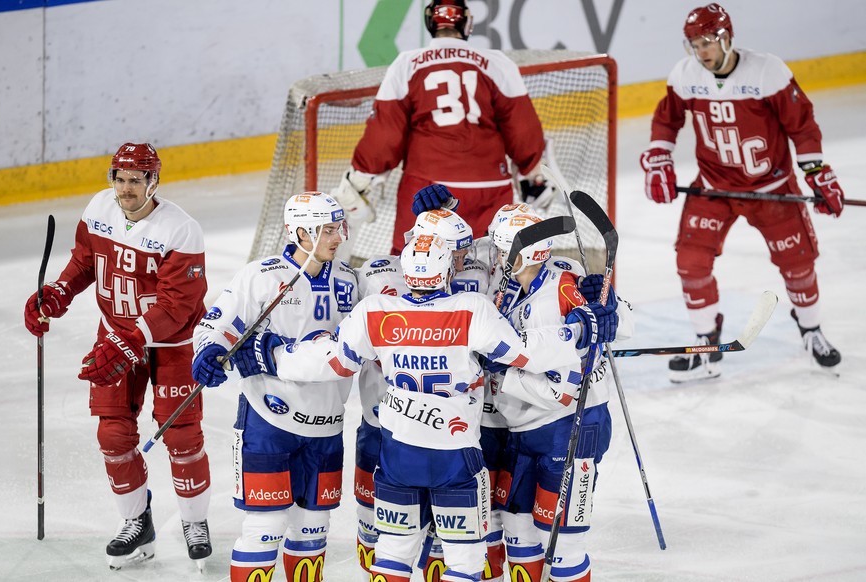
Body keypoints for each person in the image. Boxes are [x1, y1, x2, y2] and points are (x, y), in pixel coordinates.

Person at [242, 231, 616, 582]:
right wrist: (581, 329)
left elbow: (332, 360)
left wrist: (270, 353)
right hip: (455, 461)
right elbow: (526, 352)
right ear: (447, 270)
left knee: (392, 552)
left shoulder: (376, 311)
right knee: (465, 559)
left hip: (398, 459)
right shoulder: (472, 309)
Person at [23, 143, 213, 570]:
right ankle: (135, 522)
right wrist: (57, 293)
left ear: (153, 182)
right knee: (112, 435)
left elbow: (179, 305)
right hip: (115, 335)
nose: (125, 189)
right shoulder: (99, 209)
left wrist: (130, 340)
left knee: (181, 435)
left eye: (135, 180)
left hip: (172, 344)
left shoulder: (181, 230)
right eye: (120, 179)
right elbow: (84, 261)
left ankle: (194, 522)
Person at [640, 3, 844, 382]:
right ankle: (706, 346)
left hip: (771, 186)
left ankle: (812, 331)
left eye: (708, 42)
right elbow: (666, 119)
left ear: (727, 37)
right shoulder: (686, 75)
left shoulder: (767, 71)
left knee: (798, 265)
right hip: (714, 185)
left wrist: (816, 170)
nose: (702, 52)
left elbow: (801, 124)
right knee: (691, 261)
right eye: (694, 44)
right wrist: (658, 158)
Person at [191, 191, 357, 582]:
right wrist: (209, 350)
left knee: (313, 532)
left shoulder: (350, 281)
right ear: (301, 232)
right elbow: (216, 324)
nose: (338, 238)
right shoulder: (262, 276)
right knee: (264, 529)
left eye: (339, 228)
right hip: (269, 421)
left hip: (327, 425)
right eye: (328, 230)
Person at [331, 0, 551, 258]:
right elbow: (523, 130)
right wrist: (531, 171)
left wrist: (362, 178)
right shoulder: (497, 63)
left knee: (412, 266)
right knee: (490, 268)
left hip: (425, 190)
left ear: (430, 23)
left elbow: (385, 136)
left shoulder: (407, 64)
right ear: (466, 23)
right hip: (488, 187)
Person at [487, 212, 633, 581]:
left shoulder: (560, 291)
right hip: (523, 430)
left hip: (571, 428)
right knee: (518, 531)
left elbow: (563, 390)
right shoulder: (511, 285)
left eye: (502, 248)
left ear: (524, 255)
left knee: (563, 540)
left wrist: (501, 373)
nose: (495, 254)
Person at [352, 203, 484, 581]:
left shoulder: (472, 276)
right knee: (379, 537)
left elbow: (336, 349)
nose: (463, 259)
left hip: (401, 437)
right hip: (400, 433)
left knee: (403, 547)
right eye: (455, 251)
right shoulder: (374, 276)